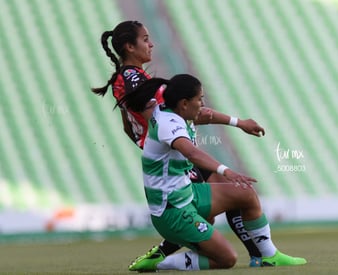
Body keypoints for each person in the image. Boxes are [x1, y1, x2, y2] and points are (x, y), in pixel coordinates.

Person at [91, 21, 267, 270]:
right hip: (175, 156)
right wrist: (163, 143)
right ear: (130, 46)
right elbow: (173, 116)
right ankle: (164, 257)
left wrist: (149, 145)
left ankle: (259, 255)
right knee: (217, 202)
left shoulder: (129, 79)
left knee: (221, 201)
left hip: (172, 153)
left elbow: (128, 126)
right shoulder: (133, 79)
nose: (151, 44)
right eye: (145, 39)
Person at [116, 74, 307, 271]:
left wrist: (239, 123)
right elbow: (191, 153)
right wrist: (226, 171)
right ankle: (160, 262)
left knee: (246, 194)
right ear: (184, 104)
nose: (203, 103)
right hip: (171, 211)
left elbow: (207, 115)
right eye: (199, 98)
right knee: (227, 259)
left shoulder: (175, 111)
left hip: (187, 195)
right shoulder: (168, 123)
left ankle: (270, 256)